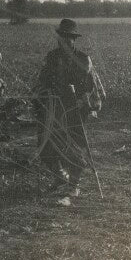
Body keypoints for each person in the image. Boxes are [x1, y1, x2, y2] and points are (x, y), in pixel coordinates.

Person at [34, 19, 103, 206]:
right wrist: (40, 95)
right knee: (45, 145)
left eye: (69, 38)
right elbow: (43, 80)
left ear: (74, 40)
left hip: (75, 109)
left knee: (73, 147)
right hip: (54, 109)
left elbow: (91, 85)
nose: (64, 41)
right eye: (62, 37)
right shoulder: (52, 57)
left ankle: (74, 185)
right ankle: (59, 176)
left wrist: (84, 101)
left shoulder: (83, 59)